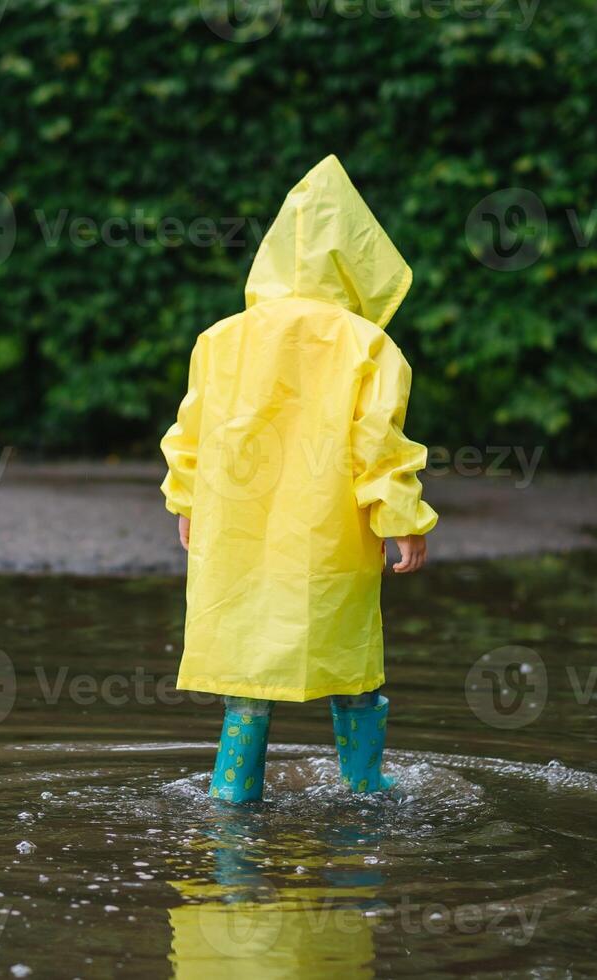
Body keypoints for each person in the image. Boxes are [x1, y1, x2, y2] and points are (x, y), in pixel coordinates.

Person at [160, 154, 437, 804]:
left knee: (249, 669)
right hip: (329, 537)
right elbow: (379, 446)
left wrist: (187, 500)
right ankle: (366, 786)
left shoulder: (220, 339)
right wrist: (402, 520)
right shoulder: (367, 344)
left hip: (241, 538)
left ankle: (232, 790)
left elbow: (190, 432)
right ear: (357, 260)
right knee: (352, 664)